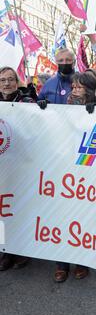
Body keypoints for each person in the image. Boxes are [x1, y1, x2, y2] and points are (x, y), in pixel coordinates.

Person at [50, 72, 96, 282]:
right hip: (65, 168)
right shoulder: (63, 105)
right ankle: (62, 263)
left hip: (87, 170)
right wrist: (43, 107)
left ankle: (82, 262)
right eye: (74, 87)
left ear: (89, 89)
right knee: (63, 216)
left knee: (84, 217)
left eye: (80, 88)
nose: (75, 91)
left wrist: (95, 114)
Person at [0, 67, 32, 271]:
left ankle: (19, 250)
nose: (6, 83)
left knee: (18, 209)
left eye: (11, 79)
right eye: (2, 79)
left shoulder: (26, 102)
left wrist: (40, 108)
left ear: (17, 81)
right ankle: (4, 251)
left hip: (20, 164)